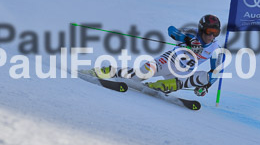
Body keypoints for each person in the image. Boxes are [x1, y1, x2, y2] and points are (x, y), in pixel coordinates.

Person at [94, 14, 222, 97]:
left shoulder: (215, 49)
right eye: (209, 31)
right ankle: (108, 71)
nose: (211, 36)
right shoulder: (191, 33)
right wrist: (188, 41)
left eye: (215, 33)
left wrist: (206, 86)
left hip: (183, 74)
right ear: (201, 29)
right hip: (169, 61)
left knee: (205, 76)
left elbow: (216, 71)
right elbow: (171, 30)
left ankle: (162, 86)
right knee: (143, 72)